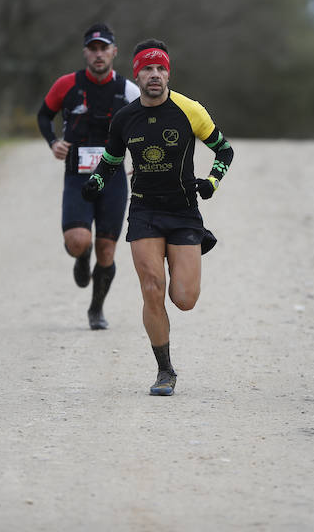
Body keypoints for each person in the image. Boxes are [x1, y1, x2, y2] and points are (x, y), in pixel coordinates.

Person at [81, 39, 234, 396]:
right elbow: (112, 160)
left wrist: (211, 182)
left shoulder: (189, 110)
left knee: (184, 298)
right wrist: (97, 182)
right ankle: (165, 370)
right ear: (137, 74)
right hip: (145, 211)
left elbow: (224, 150)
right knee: (152, 289)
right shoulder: (124, 118)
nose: (154, 75)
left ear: (168, 73)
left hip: (183, 212)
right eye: (147, 69)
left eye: (160, 68)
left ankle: (198, 241)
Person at [37, 23, 140, 330]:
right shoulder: (67, 85)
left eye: (104, 48)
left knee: (106, 249)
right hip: (77, 175)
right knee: (79, 241)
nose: (98, 55)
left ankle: (96, 309)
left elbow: (146, 123)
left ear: (114, 52)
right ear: (85, 53)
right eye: (93, 49)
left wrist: (140, 159)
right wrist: (54, 142)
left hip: (113, 179)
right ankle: (82, 257)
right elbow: (44, 115)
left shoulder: (128, 90)